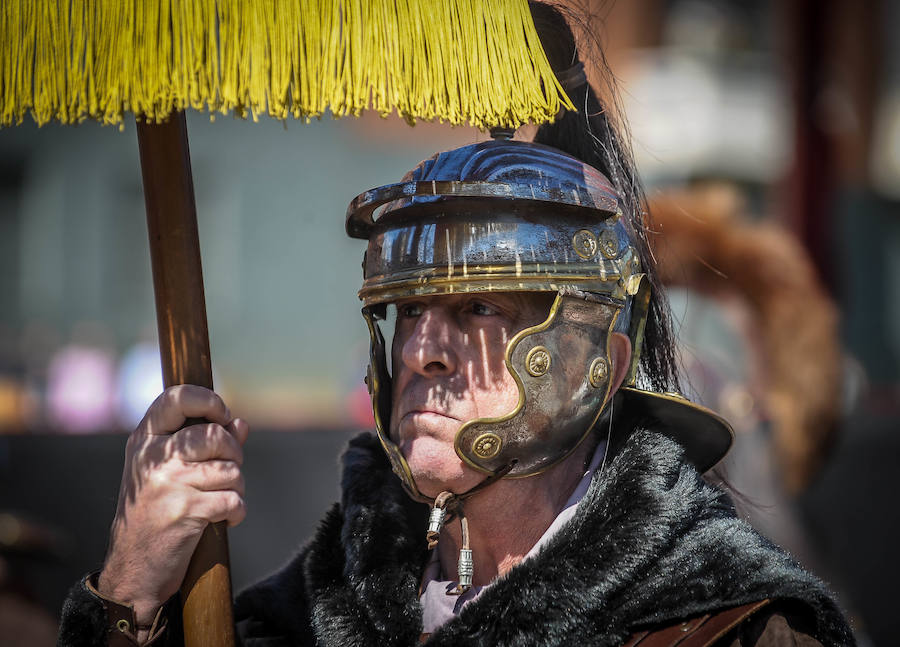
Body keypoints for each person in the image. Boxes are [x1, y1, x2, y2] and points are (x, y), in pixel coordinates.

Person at [57, 4, 854, 646]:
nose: (422, 348)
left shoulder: (726, 622)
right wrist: (131, 589)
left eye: (478, 307)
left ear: (600, 365)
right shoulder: (332, 600)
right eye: (409, 311)